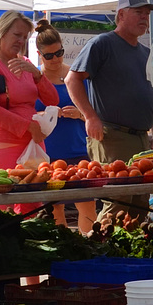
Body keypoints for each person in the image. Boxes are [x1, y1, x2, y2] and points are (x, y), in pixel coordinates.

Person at [65, 0, 153, 222]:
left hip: (141, 139)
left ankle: (133, 255)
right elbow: (72, 79)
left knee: (140, 204)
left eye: (147, 14)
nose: (144, 18)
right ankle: (101, 251)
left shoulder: (146, 53)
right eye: (138, 12)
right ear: (121, 15)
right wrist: (90, 116)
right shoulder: (102, 44)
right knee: (118, 201)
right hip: (113, 137)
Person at [0, 10, 59, 215]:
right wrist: (29, 127)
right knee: (2, 209)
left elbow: (53, 101)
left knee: (31, 208)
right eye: (17, 35)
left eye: (24, 37)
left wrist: (38, 75)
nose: (20, 41)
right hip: (4, 144)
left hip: (32, 145)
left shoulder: (27, 64)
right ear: (2, 32)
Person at [35, 19, 96, 235]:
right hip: (47, 155)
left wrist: (80, 114)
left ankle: (89, 250)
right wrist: (46, 115)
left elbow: (93, 113)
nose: (55, 59)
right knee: (54, 210)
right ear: (39, 54)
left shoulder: (75, 77)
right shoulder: (36, 79)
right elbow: (26, 116)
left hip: (79, 150)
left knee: (87, 205)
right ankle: (62, 253)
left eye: (59, 53)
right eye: (48, 55)